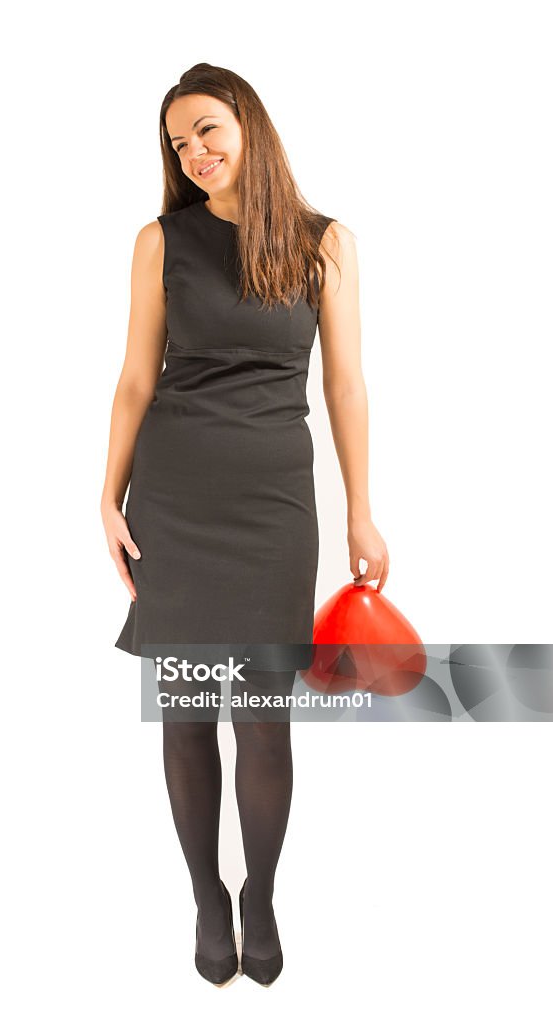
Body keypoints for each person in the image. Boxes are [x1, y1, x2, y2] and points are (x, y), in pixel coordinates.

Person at [101, 62, 390, 987]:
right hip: (175, 500)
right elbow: (137, 380)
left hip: (274, 506)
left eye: (208, 130)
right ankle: (204, 896)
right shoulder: (161, 242)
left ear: (249, 126)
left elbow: (343, 384)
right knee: (186, 713)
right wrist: (106, 498)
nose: (195, 153)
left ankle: (258, 889)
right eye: (180, 143)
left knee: (264, 720)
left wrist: (363, 511)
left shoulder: (323, 242)